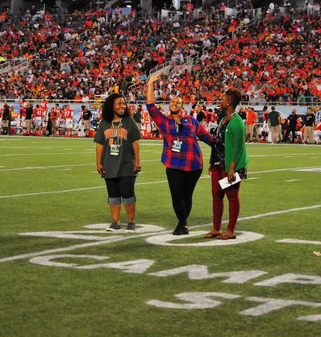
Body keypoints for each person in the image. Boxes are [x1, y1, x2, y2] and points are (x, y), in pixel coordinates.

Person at [146, 73, 213, 235]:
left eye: (178, 102)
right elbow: (151, 107)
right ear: (169, 106)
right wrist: (150, 85)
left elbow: (207, 138)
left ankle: (182, 224)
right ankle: (182, 223)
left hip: (193, 164)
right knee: (176, 195)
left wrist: (223, 148)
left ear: (182, 108)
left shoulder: (191, 121)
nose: (174, 103)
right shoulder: (164, 121)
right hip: (173, 163)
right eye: (172, 101)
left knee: (186, 195)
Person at [205, 89, 249, 240]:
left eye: (223, 99)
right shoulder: (222, 118)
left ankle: (230, 230)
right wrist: (212, 162)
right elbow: (216, 142)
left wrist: (231, 168)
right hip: (218, 163)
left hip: (231, 165)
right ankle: (216, 228)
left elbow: (238, 147)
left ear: (229, 102)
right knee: (216, 195)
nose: (220, 101)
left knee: (231, 196)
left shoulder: (237, 122)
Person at [94, 93, 141, 232]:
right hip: (109, 164)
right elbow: (99, 145)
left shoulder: (129, 121)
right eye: (118, 104)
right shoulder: (104, 123)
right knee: (113, 194)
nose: (122, 106)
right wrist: (98, 163)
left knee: (127, 193)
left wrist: (137, 161)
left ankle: (131, 222)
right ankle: (115, 222)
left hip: (126, 164)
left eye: (123, 103)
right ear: (111, 106)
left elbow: (135, 142)